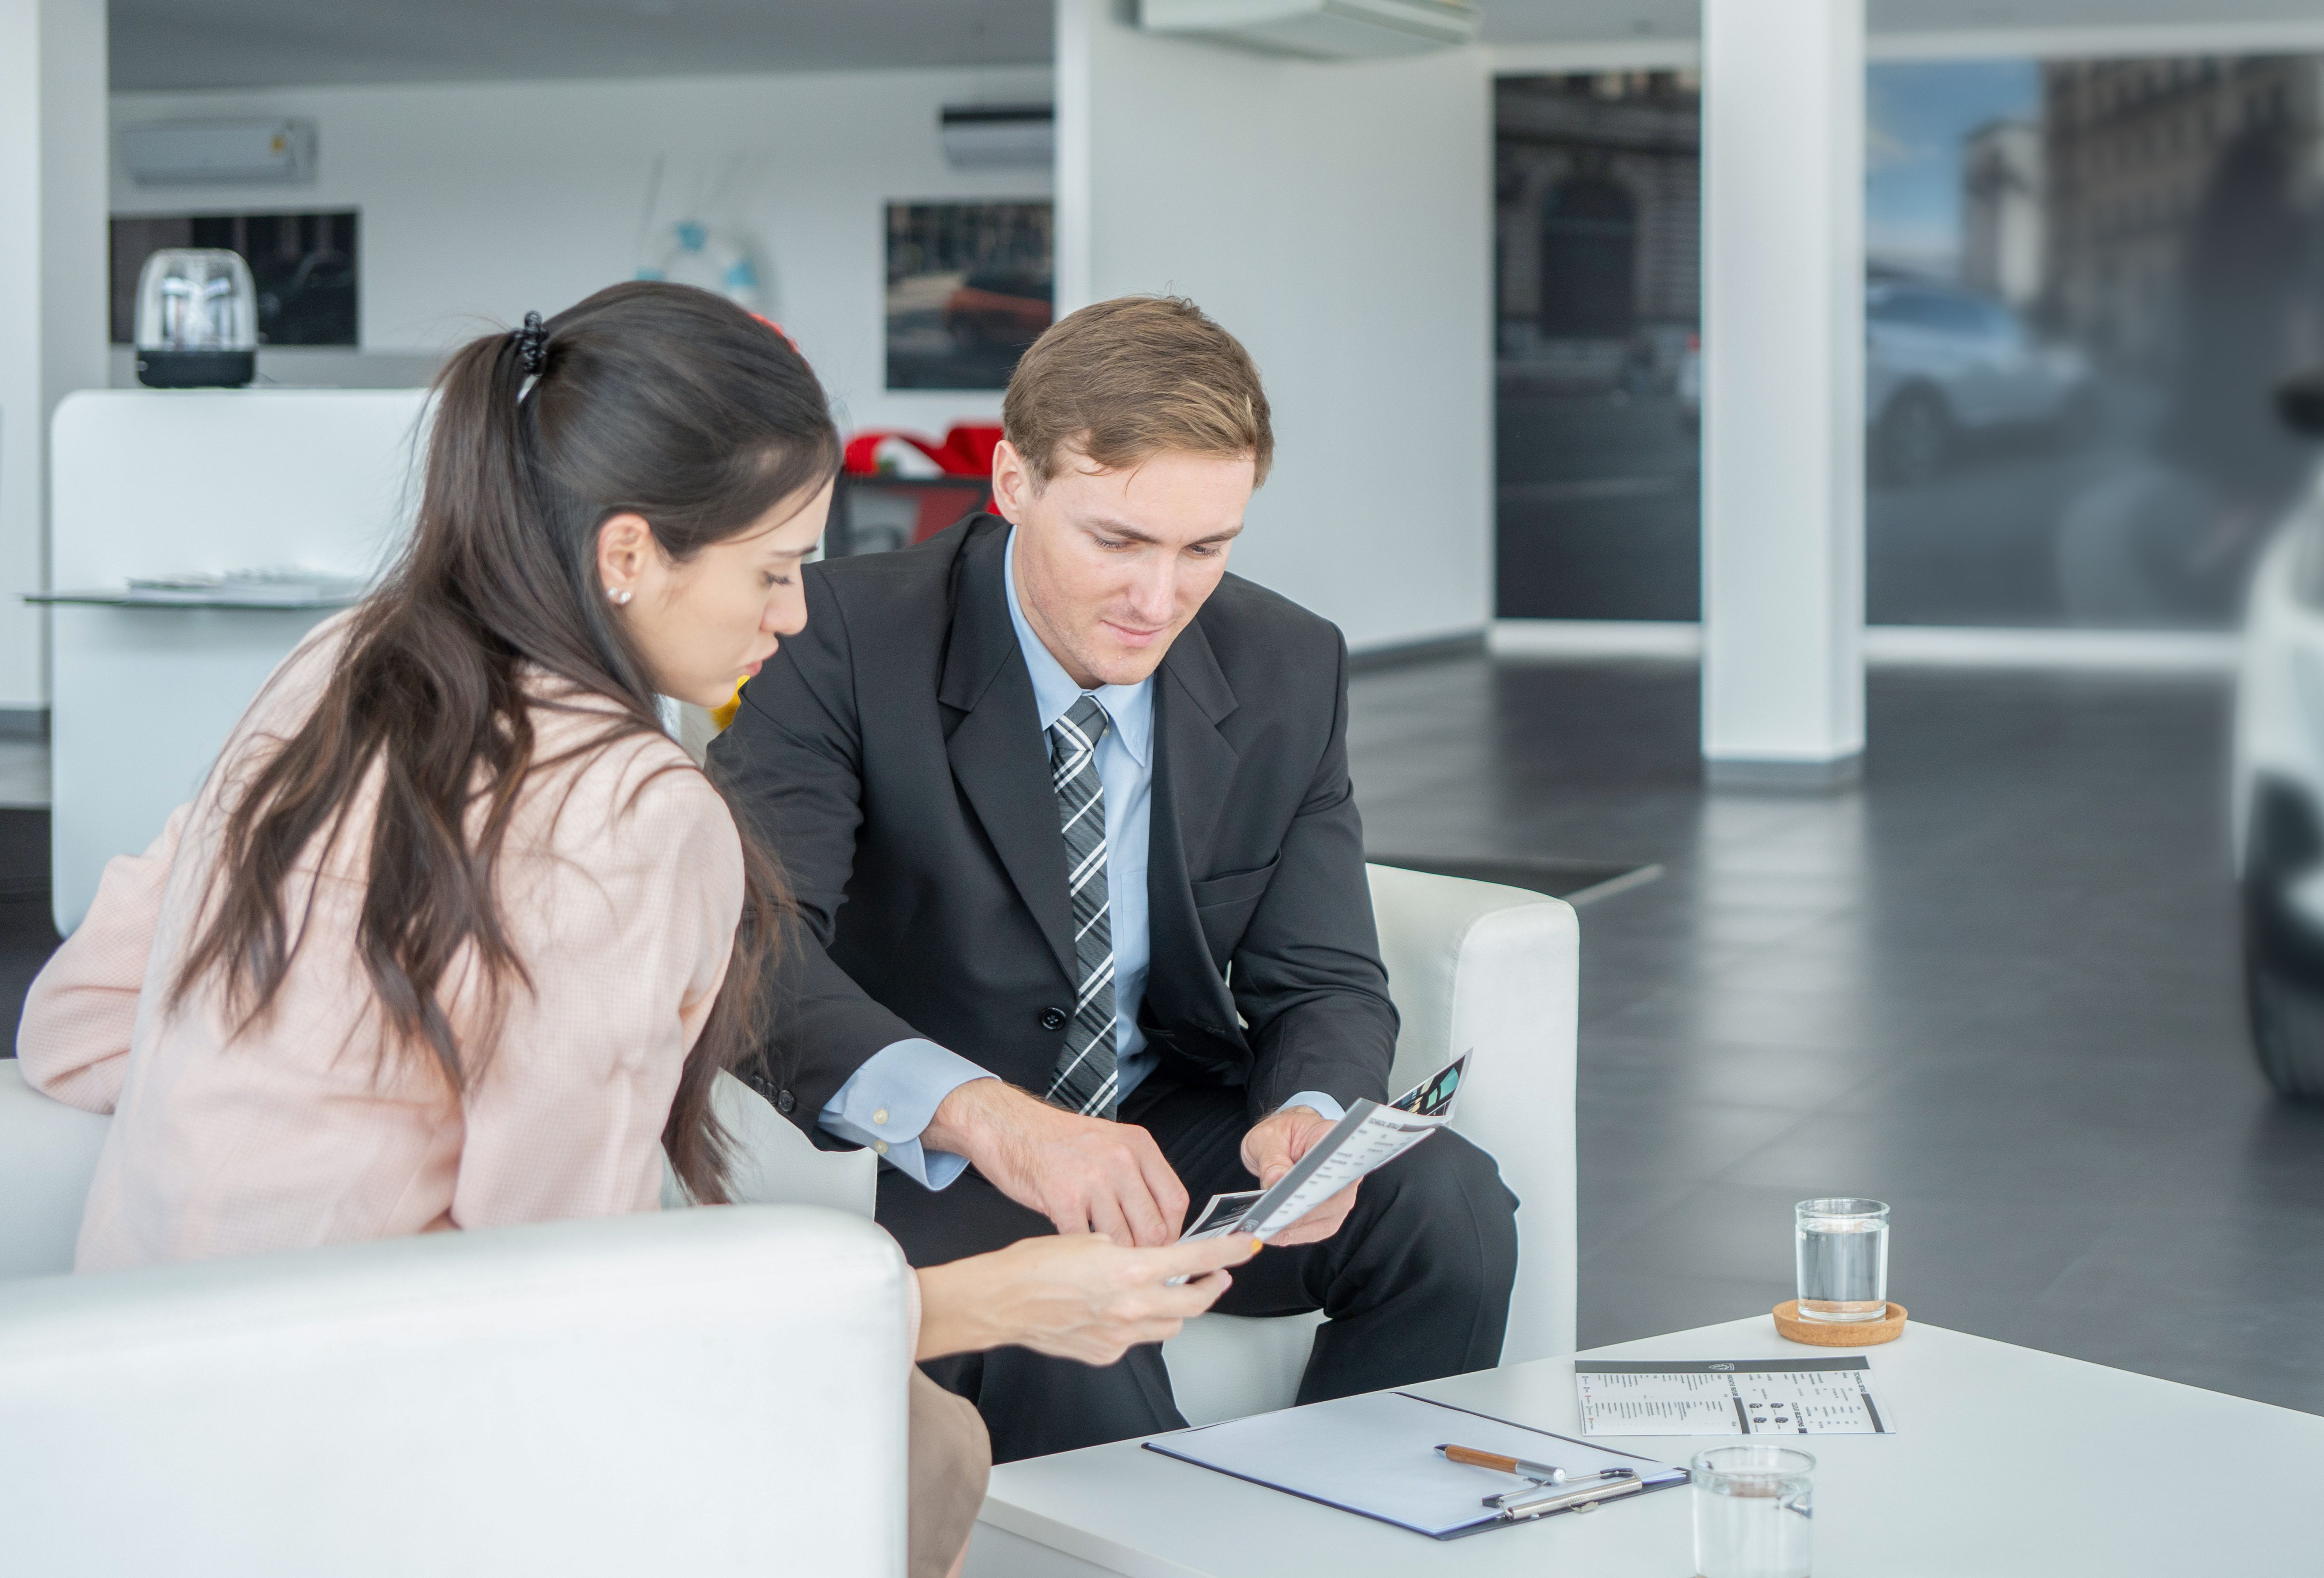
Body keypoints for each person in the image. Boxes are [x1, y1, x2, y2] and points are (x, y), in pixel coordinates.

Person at [14, 282, 1258, 1577]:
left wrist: (286, 1110)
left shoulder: (337, 666)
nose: (792, 617)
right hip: (381, 1446)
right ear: (627, 556)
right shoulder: (638, 807)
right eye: (773, 572)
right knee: (929, 1443)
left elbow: (73, 1030)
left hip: (135, 1406)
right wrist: (993, 1302)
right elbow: (568, 1307)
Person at [712, 294, 1520, 1462]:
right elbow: (752, 948)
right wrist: (1000, 1125)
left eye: (1207, 549)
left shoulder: (1289, 663)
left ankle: (1351, 1538)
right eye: (1118, 541)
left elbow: (1327, 976)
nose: (1161, 602)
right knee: (1069, 1340)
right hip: (945, 1144)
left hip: (1165, 1123)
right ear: (1012, 483)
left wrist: (1308, 1116)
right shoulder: (838, 637)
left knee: (1451, 1210)